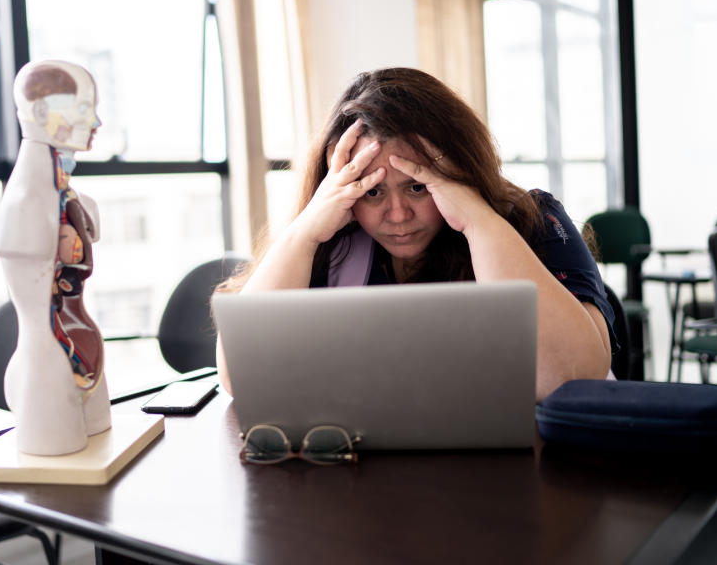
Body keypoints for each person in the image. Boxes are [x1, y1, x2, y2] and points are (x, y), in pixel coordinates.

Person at [217, 67, 614, 402]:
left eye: (418, 186)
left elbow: (574, 377)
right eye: (371, 191)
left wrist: (479, 221)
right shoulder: (332, 240)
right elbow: (242, 377)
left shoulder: (534, 220)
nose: (397, 214)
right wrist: (303, 234)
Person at [0, 59, 111, 455]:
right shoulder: (25, 204)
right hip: (46, 357)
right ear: (41, 113)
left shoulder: (67, 196)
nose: (95, 122)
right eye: (82, 110)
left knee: (102, 435)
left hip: (79, 334)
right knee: (58, 450)